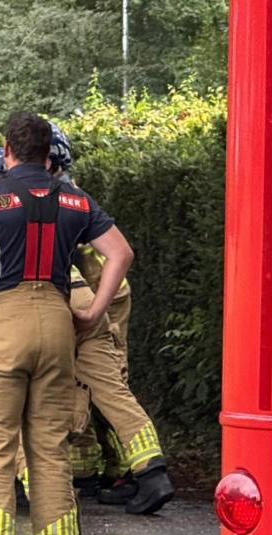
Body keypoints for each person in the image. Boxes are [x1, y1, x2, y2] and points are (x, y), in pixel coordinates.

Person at [0, 112, 134, 535]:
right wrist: (93, 313)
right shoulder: (74, 198)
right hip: (58, 320)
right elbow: (121, 254)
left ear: (7, 150)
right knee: (50, 448)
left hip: (4, 322)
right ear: (49, 155)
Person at [46, 122, 176, 514]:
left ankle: (123, 471)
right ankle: (144, 471)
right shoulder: (73, 195)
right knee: (110, 387)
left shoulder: (57, 197)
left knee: (101, 386)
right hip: (103, 294)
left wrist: (92, 311)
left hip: (91, 296)